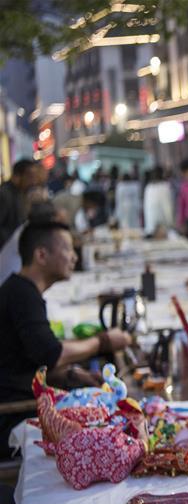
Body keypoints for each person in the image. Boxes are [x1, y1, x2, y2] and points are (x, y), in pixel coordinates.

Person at [0, 221, 131, 459]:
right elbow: (52, 353)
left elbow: (33, 356)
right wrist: (103, 342)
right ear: (41, 255)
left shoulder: (21, 290)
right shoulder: (22, 295)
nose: (74, 257)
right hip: (13, 416)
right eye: (68, 249)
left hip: (25, 401)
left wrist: (68, 375)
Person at [0, 160, 47, 248]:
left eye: (35, 177)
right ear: (17, 176)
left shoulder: (20, 192)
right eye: (30, 177)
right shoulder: (4, 194)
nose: (34, 182)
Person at [143, 167, 175, 238]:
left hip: (150, 224)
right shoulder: (164, 187)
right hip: (162, 224)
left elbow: (145, 208)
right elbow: (167, 207)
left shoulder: (148, 187)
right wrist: (171, 222)